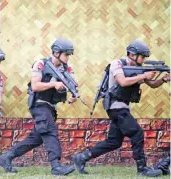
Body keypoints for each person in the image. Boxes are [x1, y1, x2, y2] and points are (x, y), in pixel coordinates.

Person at [73, 40, 170, 177]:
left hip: (122, 107)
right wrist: (143, 75)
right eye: (142, 57)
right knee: (137, 133)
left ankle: (82, 157)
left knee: (114, 142)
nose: (143, 60)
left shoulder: (139, 69)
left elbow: (153, 84)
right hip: (115, 107)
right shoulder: (117, 64)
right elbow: (122, 82)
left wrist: (163, 79)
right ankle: (142, 169)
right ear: (132, 54)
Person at [0, 38, 77, 176]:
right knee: (50, 131)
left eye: (69, 54)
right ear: (57, 52)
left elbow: (72, 83)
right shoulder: (41, 64)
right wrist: (53, 84)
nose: (68, 57)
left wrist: (73, 94)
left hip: (50, 107)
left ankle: (6, 157)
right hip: (39, 104)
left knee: (36, 138)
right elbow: (35, 86)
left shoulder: (66, 68)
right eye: (66, 54)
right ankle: (56, 166)